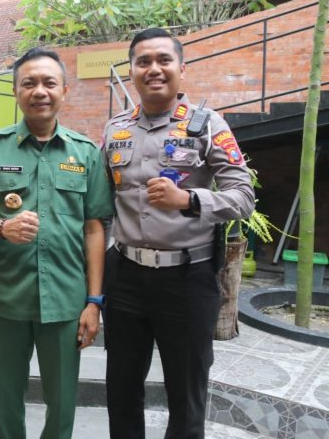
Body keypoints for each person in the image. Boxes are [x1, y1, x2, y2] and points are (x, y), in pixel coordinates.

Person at [102, 27, 255, 438]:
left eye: (163, 60)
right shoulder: (115, 129)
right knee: (121, 389)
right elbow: (101, 204)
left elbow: (244, 197)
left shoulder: (208, 125)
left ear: (181, 69)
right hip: (126, 276)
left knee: (186, 395)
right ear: (132, 71)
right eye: (143, 61)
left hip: (188, 279)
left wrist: (189, 200)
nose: (153, 69)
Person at [0, 48, 114, 439]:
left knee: (62, 401)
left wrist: (94, 301)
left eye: (49, 83)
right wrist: (2, 228)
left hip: (66, 301)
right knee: (8, 397)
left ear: (64, 90)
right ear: (16, 91)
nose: (39, 91)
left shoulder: (85, 153)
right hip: (7, 299)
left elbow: (94, 228)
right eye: (29, 83)